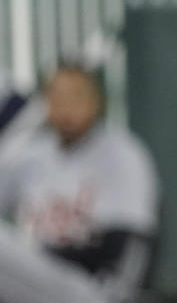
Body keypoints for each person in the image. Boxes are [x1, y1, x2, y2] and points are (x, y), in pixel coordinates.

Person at [0, 63, 159, 303]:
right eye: (57, 97)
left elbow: (132, 243)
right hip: (37, 279)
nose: (66, 107)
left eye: (76, 96)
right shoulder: (29, 155)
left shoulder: (121, 153)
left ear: (96, 101)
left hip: (88, 285)